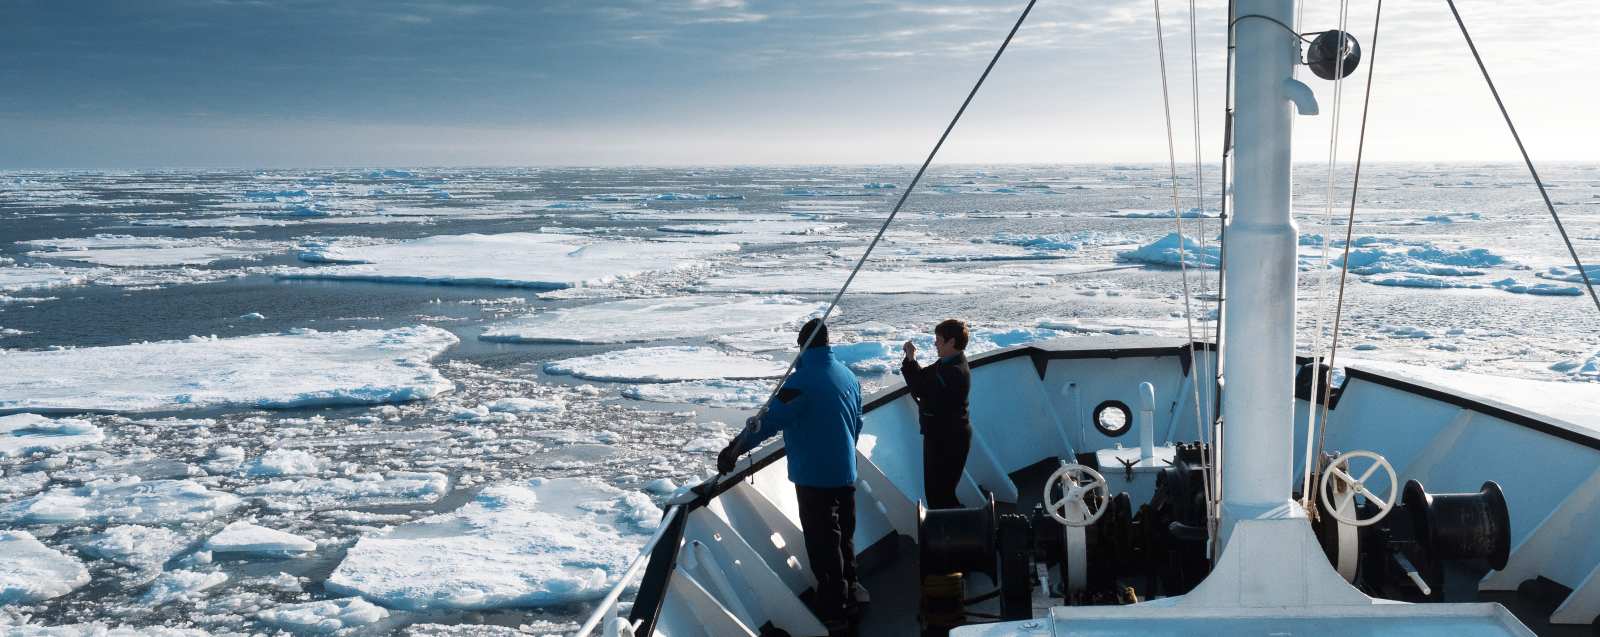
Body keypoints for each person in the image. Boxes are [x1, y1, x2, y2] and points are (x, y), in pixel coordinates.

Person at [718, 318, 867, 632]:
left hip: (815, 479)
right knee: (845, 539)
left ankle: (835, 610)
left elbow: (768, 422)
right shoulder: (848, 376)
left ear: (802, 347)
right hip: (845, 473)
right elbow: (857, 423)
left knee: (824, 545)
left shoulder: (801, 384)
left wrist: (735, 448)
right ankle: (853, 592)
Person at [902, 319, 972, 510]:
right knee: (939, 493)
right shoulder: (948, 363)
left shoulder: (953, 372)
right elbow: (924, 379)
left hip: (947, 440)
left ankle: (955, 532)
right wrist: (911, 360)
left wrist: (910, 359)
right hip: (945, 436)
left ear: (951, 342)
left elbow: (919, 387)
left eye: (939, 340)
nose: (935, 344)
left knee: (939, 495)